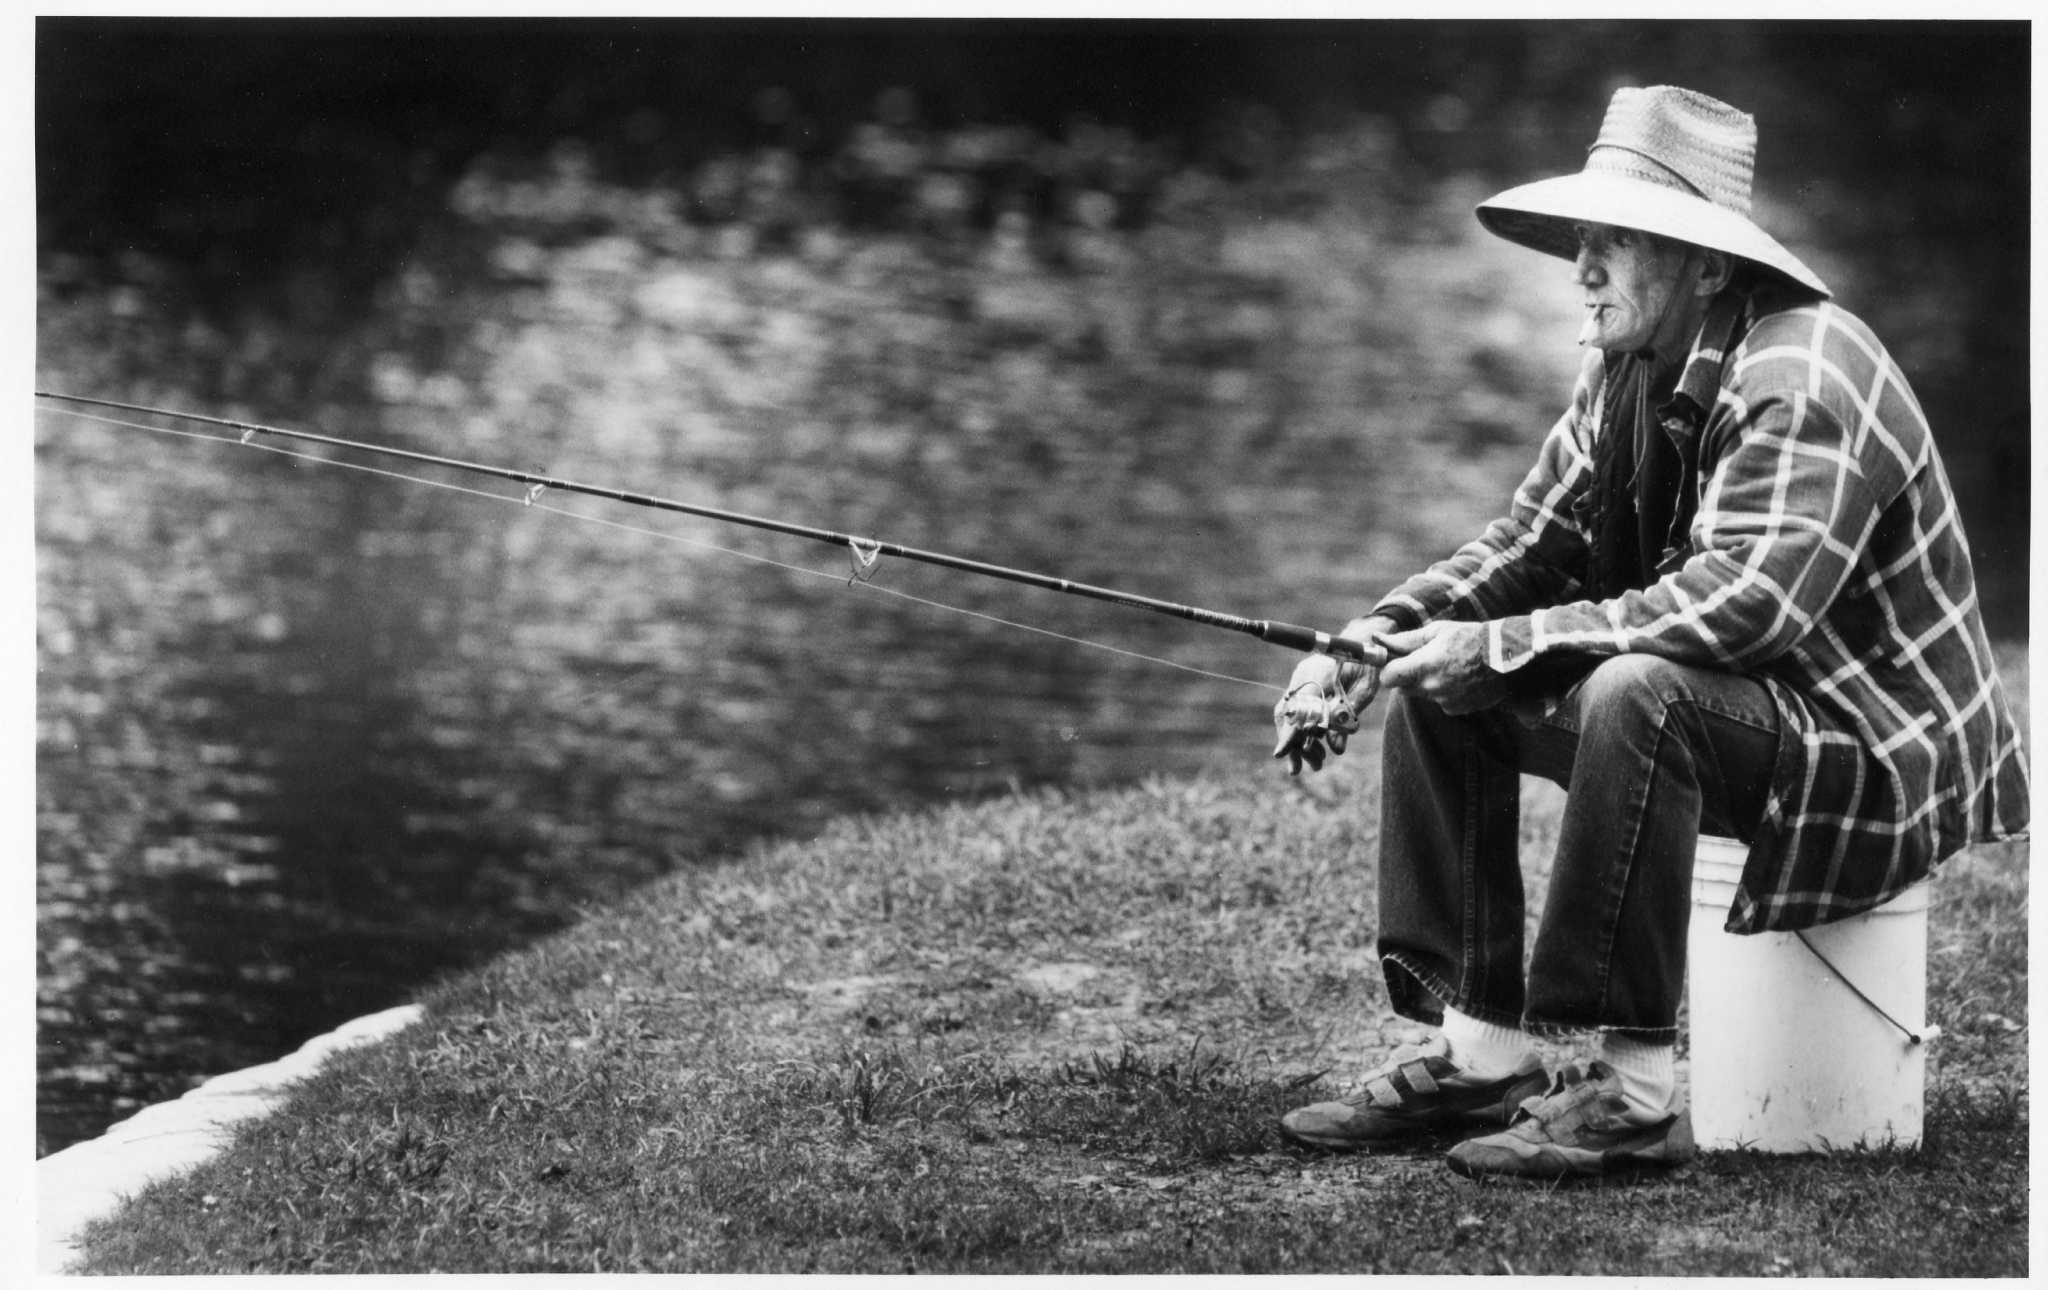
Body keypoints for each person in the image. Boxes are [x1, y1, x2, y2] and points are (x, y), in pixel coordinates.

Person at [1267, 85, 2029, 1179]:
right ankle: (1483, 1059)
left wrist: (1501, 647)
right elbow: (1524, 546)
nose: (1579, 271)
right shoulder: (1624, 368)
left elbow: (1739, 606)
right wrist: (1371, 642)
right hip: (1755, 717)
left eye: (1613, 243)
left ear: (1706, 267)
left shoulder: (1804, 374)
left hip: (1868, 753)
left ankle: (1628, 1099)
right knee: (1445, 680)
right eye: (1582, 241)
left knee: (1635, 689)